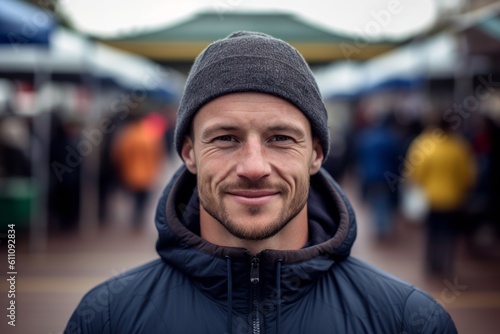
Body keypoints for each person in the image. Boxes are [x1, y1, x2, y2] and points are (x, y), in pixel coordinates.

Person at [65, 31, 457, 333]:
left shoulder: (409, 322)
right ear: (188, 153)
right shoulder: (107, 319)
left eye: (281, 139)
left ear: (316, 154)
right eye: (226, 138)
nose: (254, 167)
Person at [405, 117, 476, 277]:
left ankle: (432, 264)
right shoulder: (459, 146)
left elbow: (415, 171)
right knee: (450, 233)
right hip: (453, 198)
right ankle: (447, 263)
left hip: (431, 198)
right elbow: (468, 174)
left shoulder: (425, 144)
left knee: (432, 232)